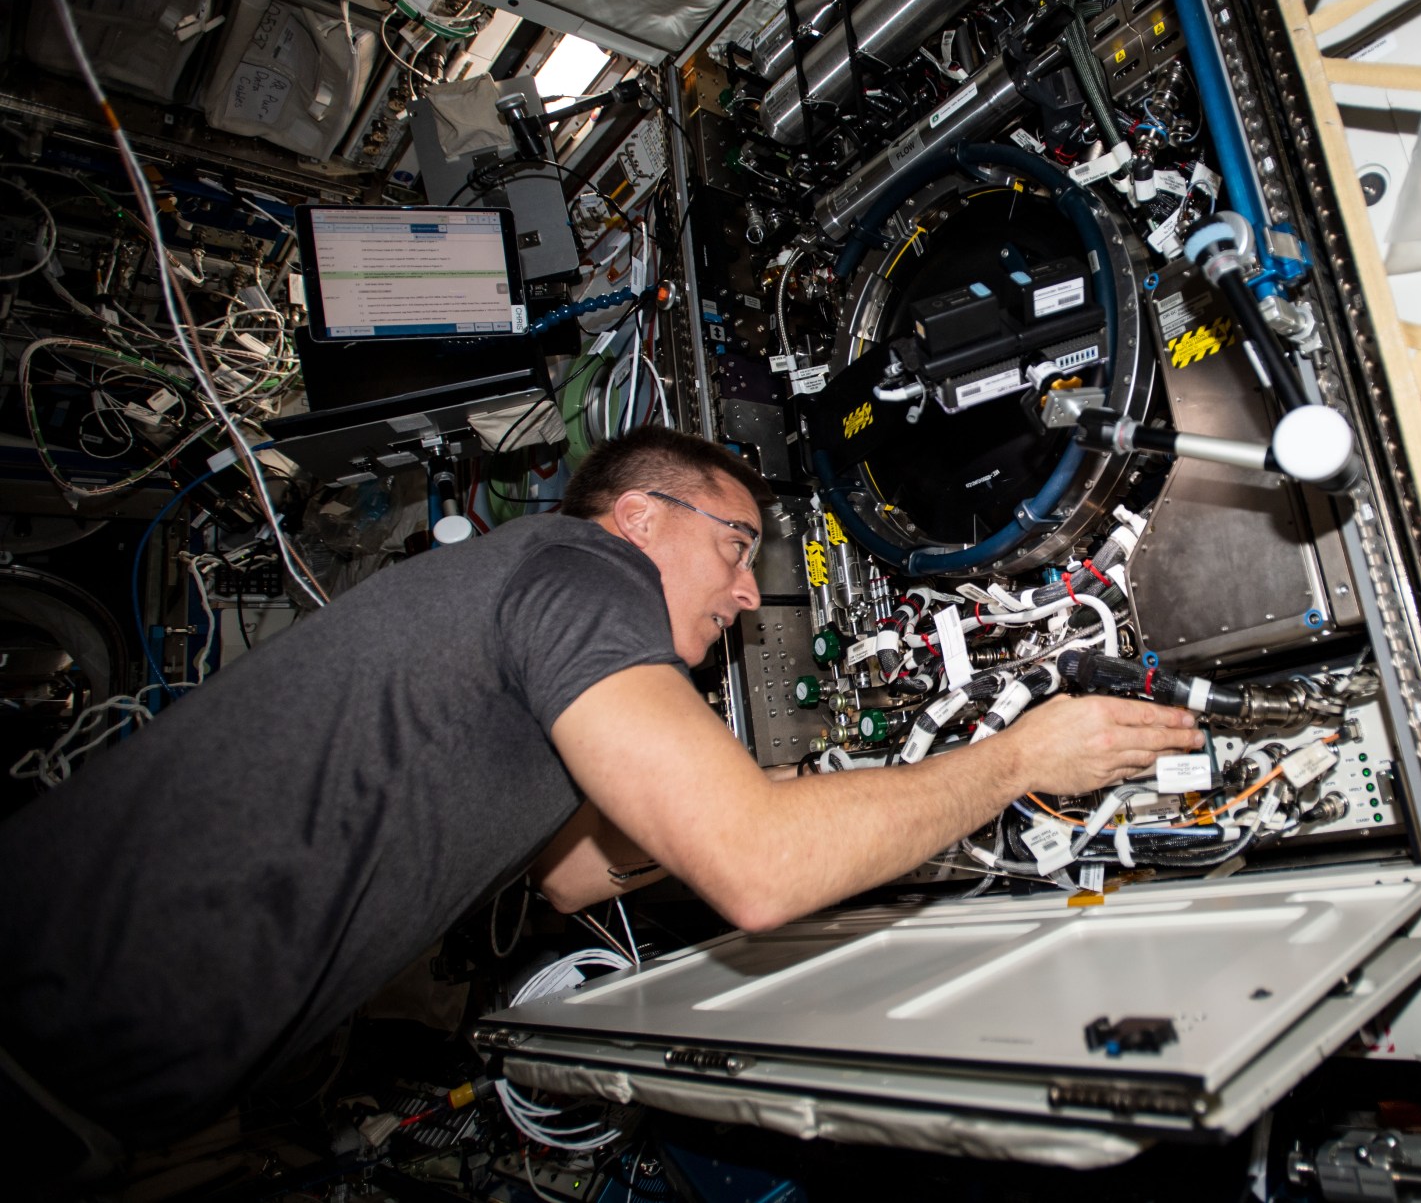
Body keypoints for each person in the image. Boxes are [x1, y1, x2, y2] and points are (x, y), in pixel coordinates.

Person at [0, 425, 1200, 1167]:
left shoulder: (520, 618)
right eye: (737, 549)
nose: (745, 596)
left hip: (87, 1078)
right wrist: (1017, 760)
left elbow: (575, 873)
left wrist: (765, 790)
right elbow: (759, 872)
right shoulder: (579, 569)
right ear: (639, 516)